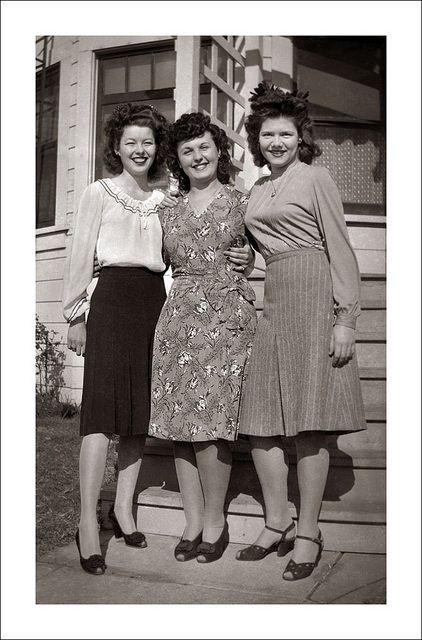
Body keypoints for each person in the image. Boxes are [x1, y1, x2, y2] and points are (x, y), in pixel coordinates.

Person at [237, 83, 366, 581]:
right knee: (260, 420)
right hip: (273, 297)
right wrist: (240, 258)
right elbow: (255, 241)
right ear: (257, 139)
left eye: (284, 134)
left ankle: (308, 531)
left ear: (299, 137)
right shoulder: (256, 188)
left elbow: (341, 247)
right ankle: (276, 522)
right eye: (267, 134)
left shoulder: (316, 178)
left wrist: (346, 319)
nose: (276, 142)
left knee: (310, 424)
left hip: (314, 292)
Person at [63, 103, 177, 575]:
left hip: (153, 303)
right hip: (109, 302)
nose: (139, 149)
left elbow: (180, 253)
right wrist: (75, 314)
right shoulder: (99, 192)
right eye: (131, 141)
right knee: (101, 415)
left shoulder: (168, 197)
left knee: (137, 417)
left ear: (157, 148)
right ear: (116, 146)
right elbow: (80, 253)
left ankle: (123, 510)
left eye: (147, 142)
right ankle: (88, 522)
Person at [149, 113, 257, 563]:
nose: (198, 156)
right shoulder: (166, 209)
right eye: (188, 150)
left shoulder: (242, 201)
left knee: (213, 424)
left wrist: (248, 258)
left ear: (219, 150)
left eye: (205, 147)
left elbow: (262, 250)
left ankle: (215, 521)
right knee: (180, 423)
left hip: (226, 315)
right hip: (178, 318)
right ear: (177, 159)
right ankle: (191, 520)